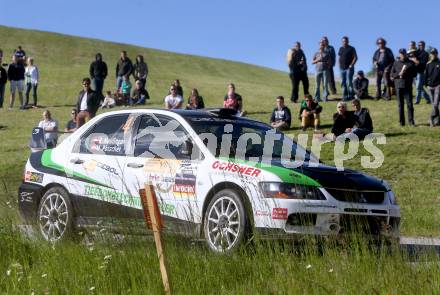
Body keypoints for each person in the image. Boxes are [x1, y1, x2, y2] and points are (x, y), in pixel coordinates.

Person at [391, 49, 417, 126]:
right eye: (401, 54)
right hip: (398, 86)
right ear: (399, 54)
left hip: (408, 86)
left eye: (403, 53)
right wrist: (399, 74)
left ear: (406, 54)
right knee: (400, 105)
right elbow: (392, 74)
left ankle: (411, 122)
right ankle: (401, 122)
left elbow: (415, 74)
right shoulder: (396, 63)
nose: (402, 55)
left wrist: (407, 73)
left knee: (409, 104)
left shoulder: (411, 63)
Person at [338, 36, 358, 101]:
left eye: (345, 41)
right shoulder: (341, 48)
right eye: (343, 41)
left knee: (349, 82)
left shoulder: (351, 48)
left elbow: (355, 57)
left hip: (349, 68)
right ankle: (344, 96)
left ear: (348, 41)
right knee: (343, 82)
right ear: (342, 42)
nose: (344, 42)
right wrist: (339, 65)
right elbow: (339, 57)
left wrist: (351, 65)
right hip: (342, 68)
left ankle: (351, 96)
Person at [425, 48, 440, 127]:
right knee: (434, 104)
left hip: (438, 86)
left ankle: (431, 118)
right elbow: (426, 75)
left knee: (436, 103)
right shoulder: (428, 64)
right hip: (430, 86)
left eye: (434, 53)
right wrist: (426, 84)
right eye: (431, 53)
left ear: (437, 54)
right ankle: (437, 120)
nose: (433, 55)